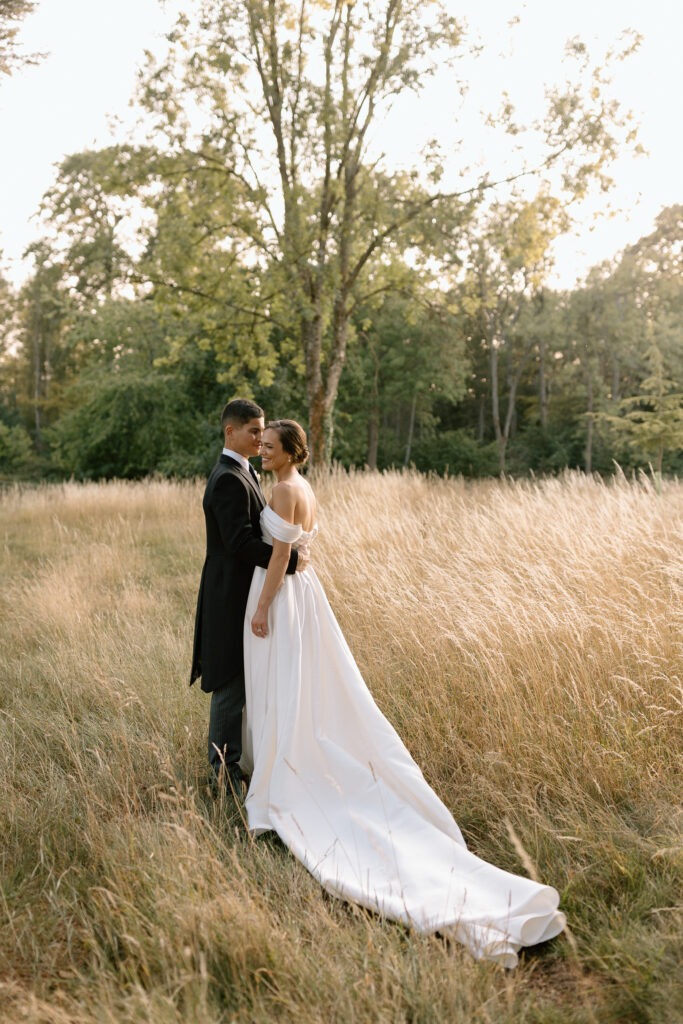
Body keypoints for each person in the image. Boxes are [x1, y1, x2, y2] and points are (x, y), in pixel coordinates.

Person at [240, 419, 566, 968]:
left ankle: (282, 766)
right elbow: (302, 547)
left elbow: (278, 556)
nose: (261, 452)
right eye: (260, 445)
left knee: (282, 682)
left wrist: (263, 606)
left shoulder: (282, 488)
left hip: (285, 596)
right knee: (297, 683)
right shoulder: (306, 489)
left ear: (290, 452)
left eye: (269, 447)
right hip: (307, 594)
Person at [189, 399, 308, 794]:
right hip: (229, 596)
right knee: (228, 682)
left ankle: (239, 764)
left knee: (244, 681)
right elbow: (239, 543)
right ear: (231, 432)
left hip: (249, 591)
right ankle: (222, 774)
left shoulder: (245, 472)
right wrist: (288, 562)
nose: (260, 439)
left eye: (263, 433)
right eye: (254, 431)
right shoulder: (226, 477)